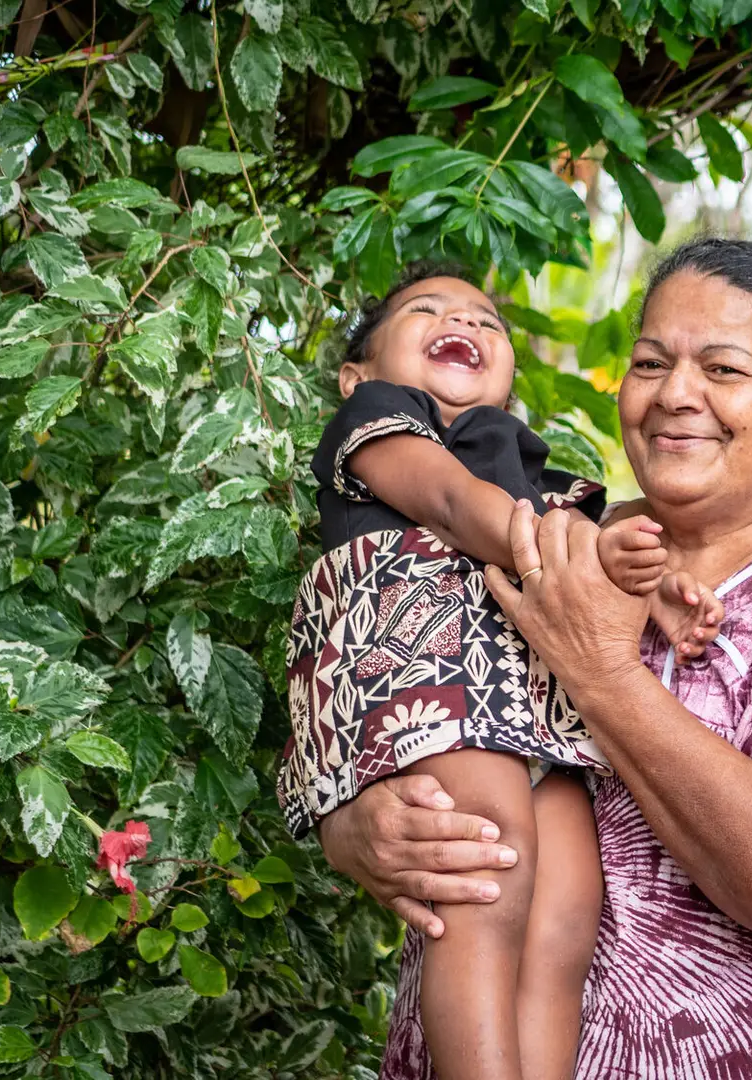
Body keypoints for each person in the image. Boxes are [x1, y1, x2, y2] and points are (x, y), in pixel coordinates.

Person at [316, 239, 752, 1078]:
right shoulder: (556, 540)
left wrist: (602, 672)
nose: (675, 396)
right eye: (651, 363)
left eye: (722, 370)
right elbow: (387, 683)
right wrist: (359, 828)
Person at [277, 266, 721, 1080]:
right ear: (356, 373)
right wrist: (575, 546)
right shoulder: (382, 422)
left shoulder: (524, 467)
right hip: (429, 669)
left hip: (535, 703)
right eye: (426, 311)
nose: (465, 323)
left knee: (565, 911)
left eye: (488, 322)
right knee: (484, 874)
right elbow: (451, 503)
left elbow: (586, 542)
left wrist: (653, 583)